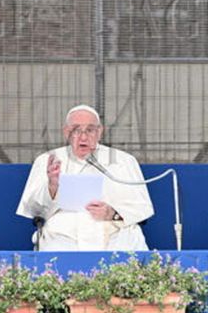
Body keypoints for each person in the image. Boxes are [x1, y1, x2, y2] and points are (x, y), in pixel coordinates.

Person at [16, 105, 154, 251]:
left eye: (90, 130)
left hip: (114, 235)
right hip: (63, 238)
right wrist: (52, 186)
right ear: (66, 132)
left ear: (99, 132)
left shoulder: (124, 161)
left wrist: (113, 214)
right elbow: (34, 210)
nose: (83, 137)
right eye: (76, 130)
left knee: (129, 245)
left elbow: (142, 208)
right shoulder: (46, 160)